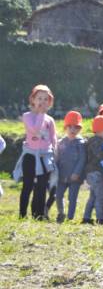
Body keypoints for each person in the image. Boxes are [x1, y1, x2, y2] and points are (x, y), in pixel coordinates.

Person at [14, 85, 57, 220]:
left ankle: (38, 214)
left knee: (42, 185)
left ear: (49, 102)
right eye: (39, 98)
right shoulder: (27, 116)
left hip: (45, 156)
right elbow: (35, 129)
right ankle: (22, 213)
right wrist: (40, 114)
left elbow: (53, 137)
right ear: (33, 99)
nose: (42, 102)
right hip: (31, 155)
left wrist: (55, 152)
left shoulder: (50, 120)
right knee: (28, 185)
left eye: (45, 99)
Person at [54, 111, 86, 223]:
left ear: (80, 129)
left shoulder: (81, 143)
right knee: (58, 195)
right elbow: (57, 158)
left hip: (75, 177)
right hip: (61, 175)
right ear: (65, 128)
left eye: (76, 127)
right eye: (70, 127)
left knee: (72, 198)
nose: (73, 130)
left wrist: (77, 173)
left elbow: (82, 159)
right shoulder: (60, 142)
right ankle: (61, 213)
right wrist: (55, 172)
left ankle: (70, 217)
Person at [82, 115, 103, 225]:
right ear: (100, 130)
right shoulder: (97, 141)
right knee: (101, 196)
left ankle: (86, 217)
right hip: (96, 173)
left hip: (93, 172)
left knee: (93, 196)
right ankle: (100, 218)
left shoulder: (96, 140)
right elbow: (99, 155)